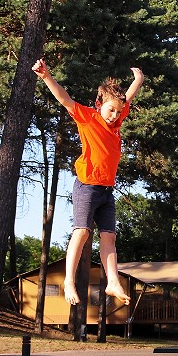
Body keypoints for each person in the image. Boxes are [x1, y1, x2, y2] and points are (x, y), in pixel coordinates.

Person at [32, 58, 144, 305]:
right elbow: (65, 99)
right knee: (82, 231)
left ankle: (112, 281)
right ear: (99, 104)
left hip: (106, 191)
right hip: (87, 186)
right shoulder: (88, 117)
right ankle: (69, 281)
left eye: (118, 111)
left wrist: (138, 80)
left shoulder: (117, 120)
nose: (115, 116)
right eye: (110, 110)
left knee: (109, 237)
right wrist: (46, 77)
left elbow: (128, 98)